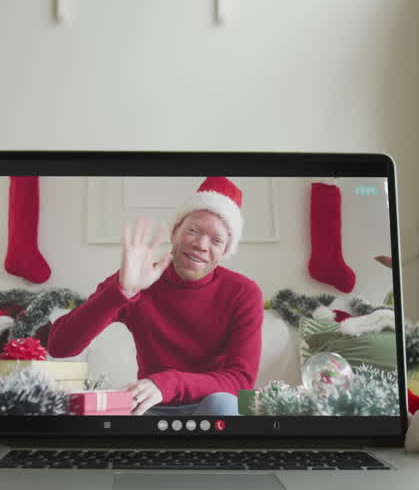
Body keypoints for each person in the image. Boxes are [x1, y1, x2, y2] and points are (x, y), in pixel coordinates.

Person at [48, 177, 263, 416]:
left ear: (224, 252)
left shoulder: (243, 292)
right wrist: (120, 293)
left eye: (216, 240)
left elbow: (241, 381)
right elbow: (59, 347)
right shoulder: (137, 279)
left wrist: (167, 383)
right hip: (151, 410)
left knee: (222, 404)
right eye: (193, 230)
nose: (201, 245)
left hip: (211, 409)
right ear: (174, 233)